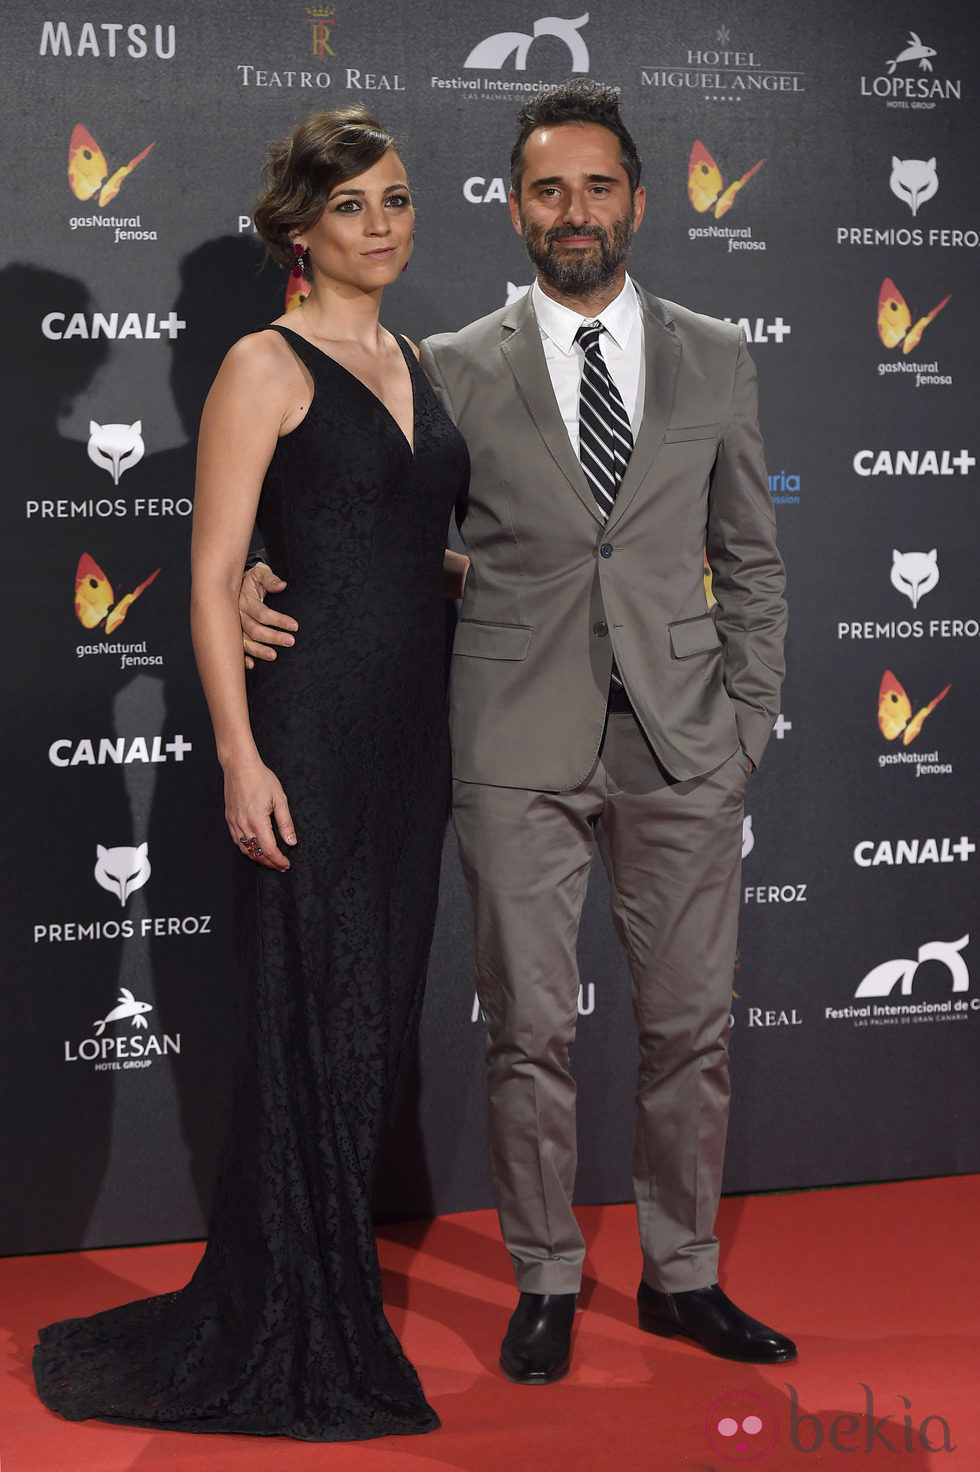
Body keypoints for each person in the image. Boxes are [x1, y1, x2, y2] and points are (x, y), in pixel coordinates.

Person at [241, 81, 793, 1386]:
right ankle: (545, 1276)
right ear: (513, 209)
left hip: (682, 743)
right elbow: (370, 520)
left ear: (638, 203)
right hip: (508, 740)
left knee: (689, 1028)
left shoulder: (717, 352)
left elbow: (752, 562)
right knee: (529, 1028)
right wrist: (256, 576)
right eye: (549, 190)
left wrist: (748, 725)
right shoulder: (455, 365)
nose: (576, 211)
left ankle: (683, 1275)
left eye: (598, 187)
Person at [33, 106, 468, 1440]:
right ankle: (293, 1316)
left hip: (413, 742)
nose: (383, 224)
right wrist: (238, 755)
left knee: (373, 1028)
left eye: (395, 200)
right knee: (311, 1025)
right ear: (298, 231)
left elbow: (403, 535)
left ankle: (324, 1279)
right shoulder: (261, 368)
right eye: (353, 208)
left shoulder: (413, 356)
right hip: (309, 738)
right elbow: (214, 583)